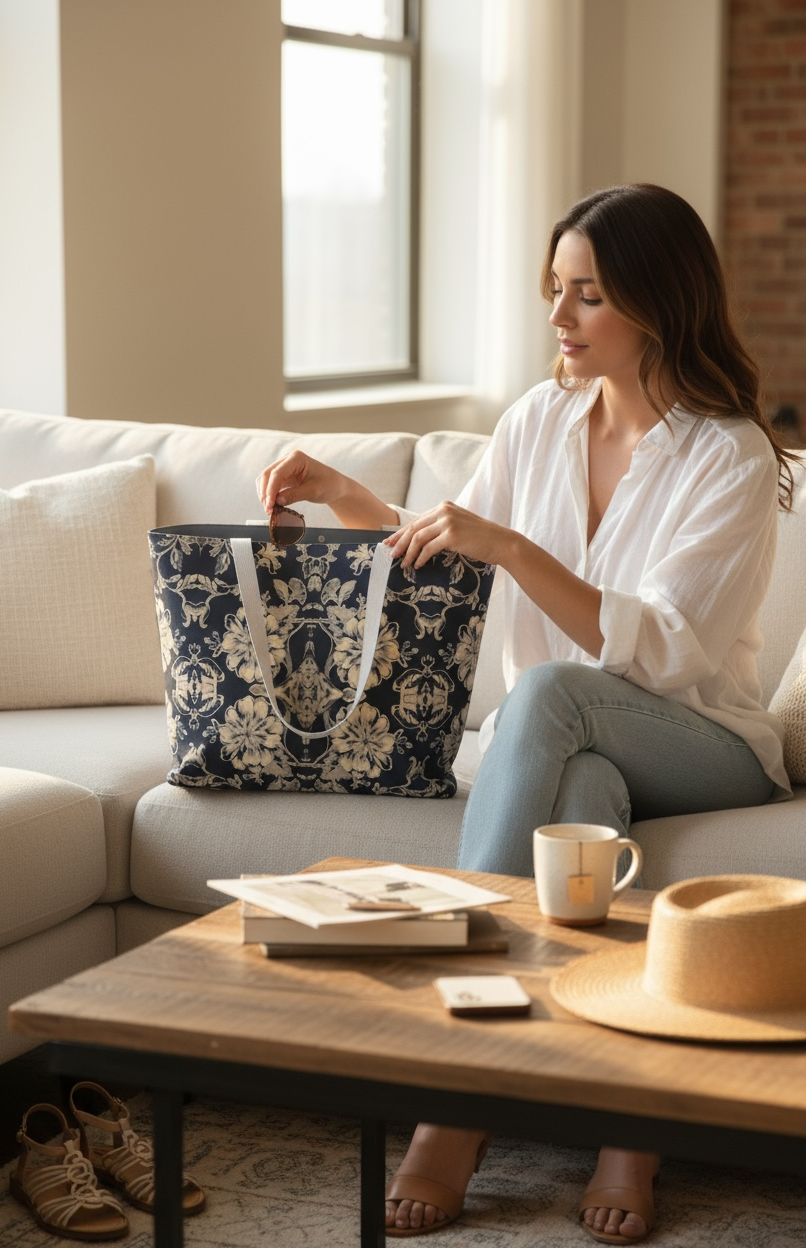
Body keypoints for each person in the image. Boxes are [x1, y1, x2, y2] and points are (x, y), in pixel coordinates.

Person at [257, 184, 796, 1244]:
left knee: (548, 697)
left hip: (706, 744)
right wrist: (344, 491)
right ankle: (624, 1123)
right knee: (581, 796)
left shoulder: (727, 453)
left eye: (586, 295)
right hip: (578, 743)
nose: (558, 317)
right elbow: (451, 549)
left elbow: (665, 646)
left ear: (655, 301)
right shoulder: (536, 419)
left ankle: (454, 1095)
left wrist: (508, 545)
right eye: (554, 290)